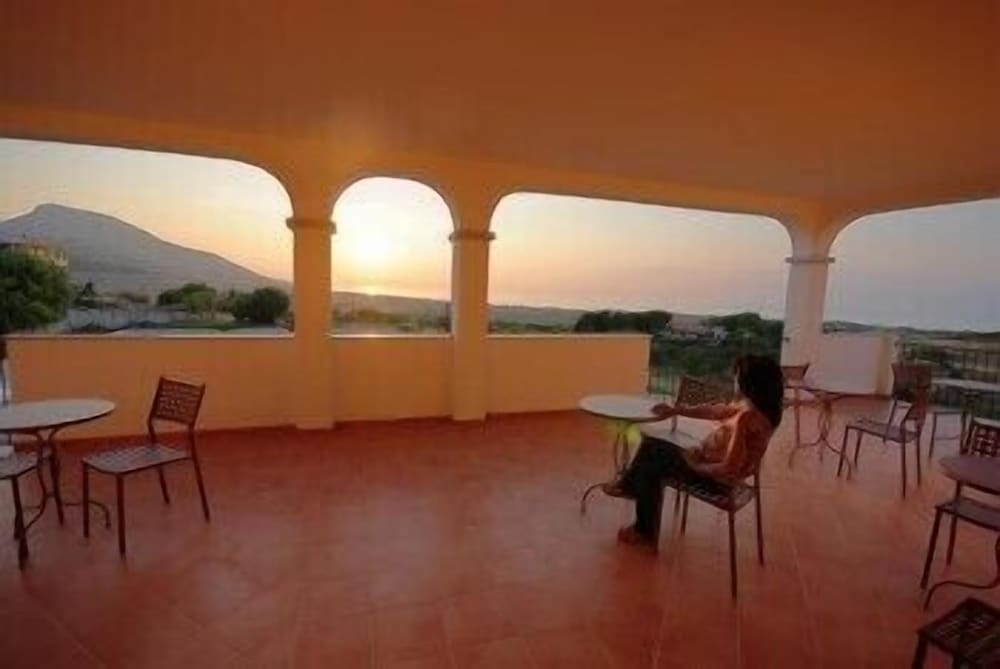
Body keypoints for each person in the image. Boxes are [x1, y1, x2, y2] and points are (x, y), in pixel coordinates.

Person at [605, 355, 785, 550]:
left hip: (717, 481)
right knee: (655, 449)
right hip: (710, 468)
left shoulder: (747, 419)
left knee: (654, 455)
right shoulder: (758, 410)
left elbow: (729, 468)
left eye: (738, 377)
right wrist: (676, 410)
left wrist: (696, 466)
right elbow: (715, 411)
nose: (735, 381)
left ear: (750, 384)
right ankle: (631, 488)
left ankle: (642, 527)